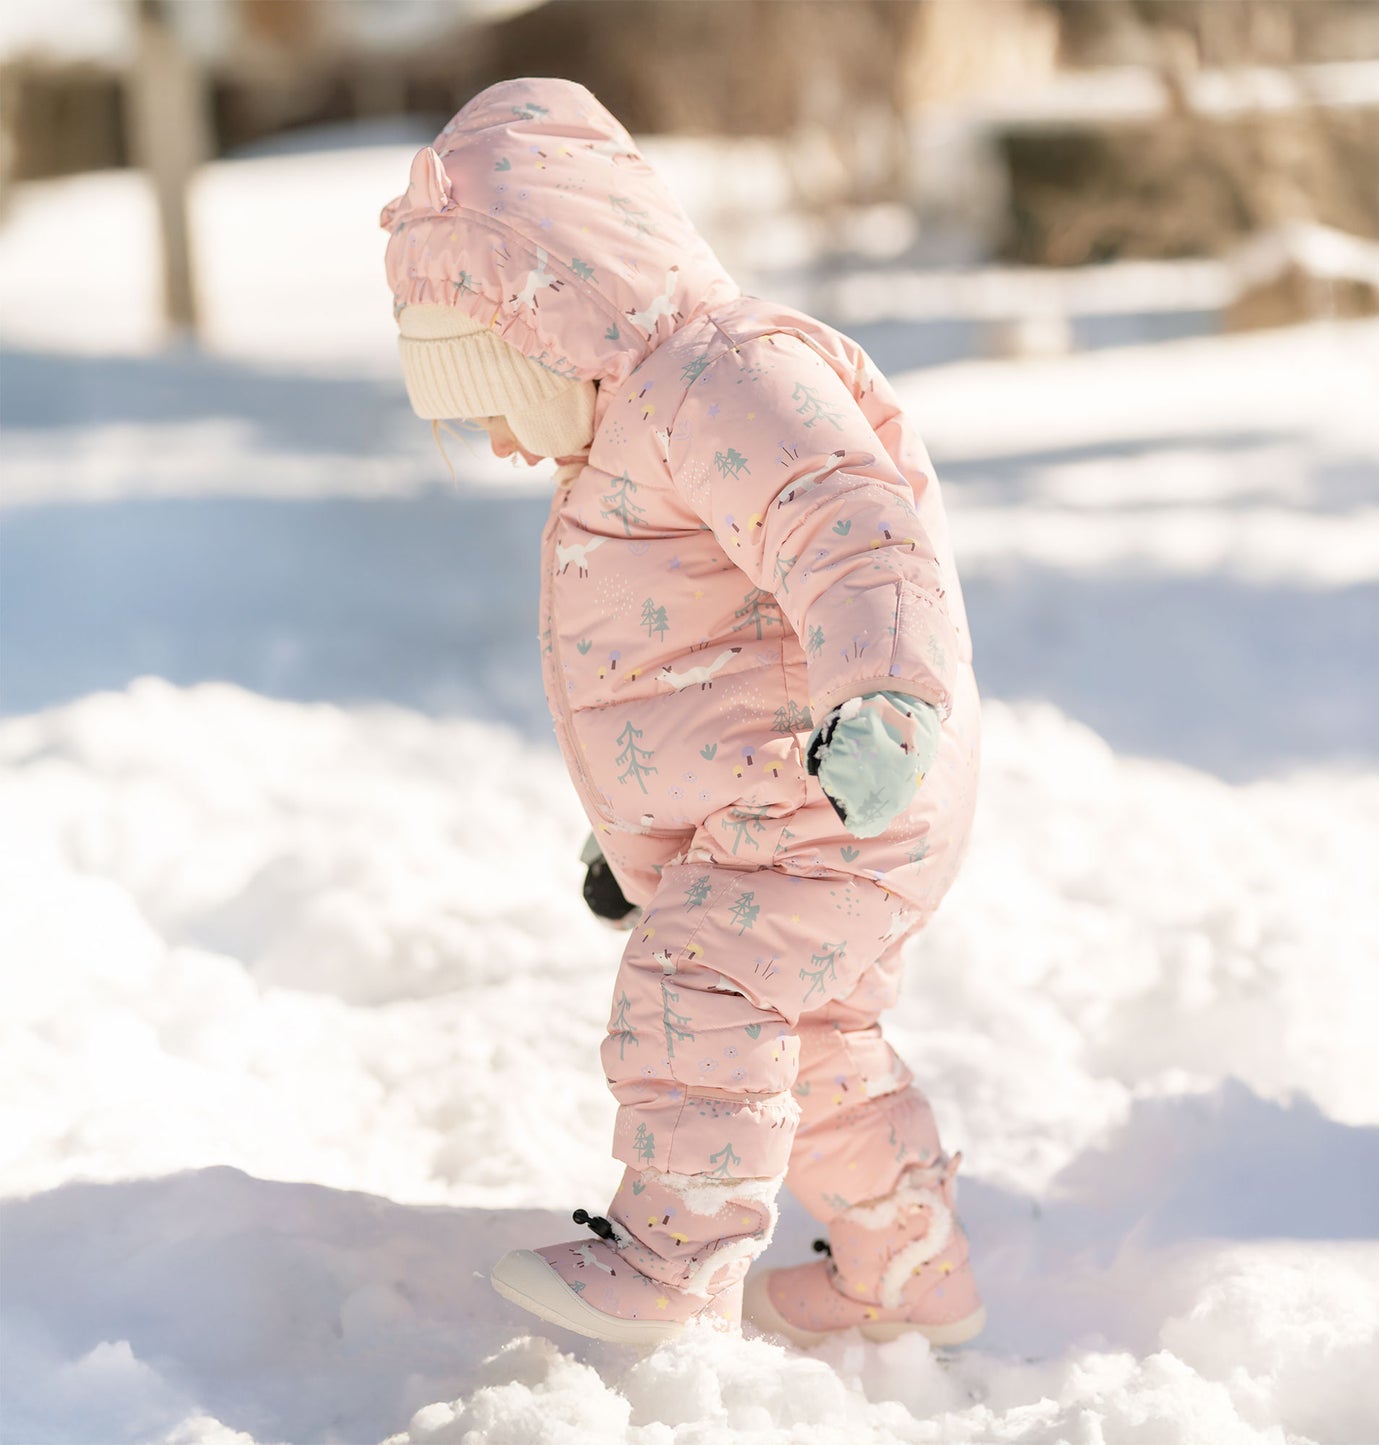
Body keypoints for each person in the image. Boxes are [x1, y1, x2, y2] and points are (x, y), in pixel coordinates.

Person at [380, 77, 985, 1349]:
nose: (494, 441)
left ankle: (673, 1255)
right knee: (811, 1038)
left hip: (844, 773)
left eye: (491, 393)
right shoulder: (636, 420)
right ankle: (907, 1268)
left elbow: (848, 524)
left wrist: (886, 700)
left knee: (695, 979)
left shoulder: (721, 371)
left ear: (556, 320)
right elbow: (691, 665)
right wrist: (637, 835)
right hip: (780, 790)